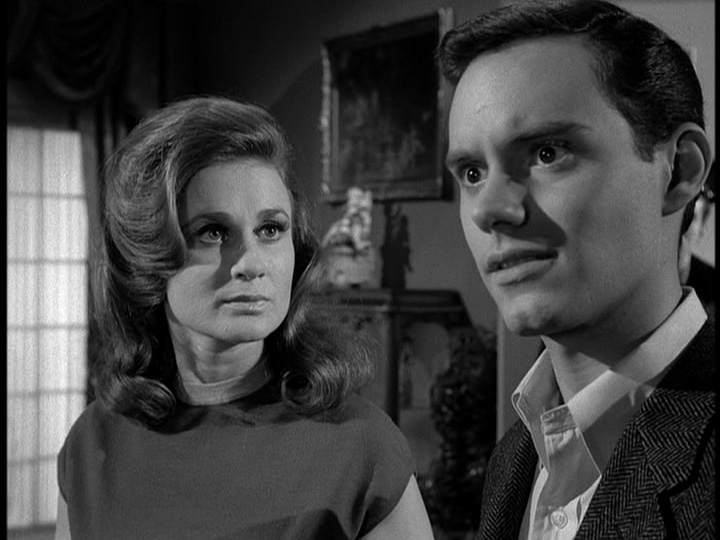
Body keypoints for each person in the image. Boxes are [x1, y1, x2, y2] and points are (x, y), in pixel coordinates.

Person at [54, 96, 433, 540]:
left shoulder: (362, 449)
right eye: (213, 232)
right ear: (147, 257)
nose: (250, 263)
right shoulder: (92, 448)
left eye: (270, 230)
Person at [438, 1, 715, 538]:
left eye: (546, 153)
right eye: (471, 172)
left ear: (680, 170)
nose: (488, 209)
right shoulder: (514, 458)